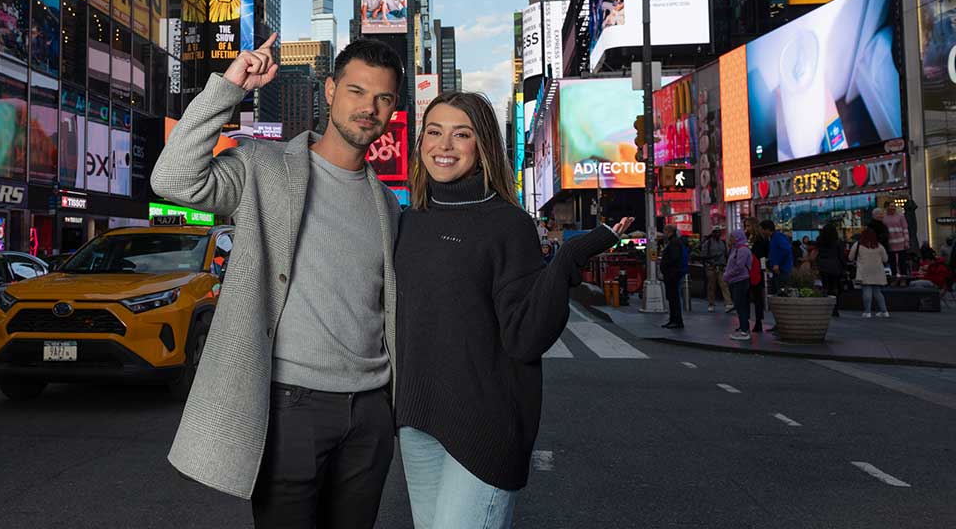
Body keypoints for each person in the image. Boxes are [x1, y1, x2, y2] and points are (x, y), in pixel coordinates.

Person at [153, 34, 405, 528]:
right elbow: (174, 180)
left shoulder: (388, 206)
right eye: (356, 91)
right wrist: (229, 88)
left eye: (383, 97)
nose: (368, 108)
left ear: (394, 108)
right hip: (292, 407)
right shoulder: (261, 167)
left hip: (371, 413)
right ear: (329, 90)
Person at [395, 90, 631, 528]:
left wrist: (565, 261)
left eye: (460, 134)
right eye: (434, 132)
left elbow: (525, 336)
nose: (443, 146)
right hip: (416, 420)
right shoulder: (410, 221)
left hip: (484, 424)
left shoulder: (508, 224)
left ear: (482, 146)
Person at [850, 229, 890, 318]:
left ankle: (867, 312)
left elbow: (850, 257)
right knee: (877, 292)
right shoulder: (879, 246)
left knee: (866, 290)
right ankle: (884, 311)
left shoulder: (858, 245)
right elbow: (885, 259)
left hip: (864, 271)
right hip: (877, 271)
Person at [724, 230, 754, 340]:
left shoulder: (742, 250)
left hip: (740, 280)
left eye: (732, 237)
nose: (730, 239)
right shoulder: (735, 249)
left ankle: (744, 331)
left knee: (741, 305)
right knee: (740, 305)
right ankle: (743, 328)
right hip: (735, 280)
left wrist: (727, 275)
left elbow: (739, 267)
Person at [815, 223, 848, 317]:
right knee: (835, 288)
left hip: (823, 266)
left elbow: (818, 253)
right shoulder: (838, 242)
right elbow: (841, 256)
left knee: (826, 287)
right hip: (835, 267)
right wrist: (844, 267)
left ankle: (826, 308)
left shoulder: (820, 241)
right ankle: (835, 309)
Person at [744, 217, 768, 333]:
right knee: (750, 297)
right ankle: (748, 321)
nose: (747, 228)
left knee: (757, 298)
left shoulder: (759, 240)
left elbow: (761, 255)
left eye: (748, 226)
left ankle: (758, 321)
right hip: (748, 270)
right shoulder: (749, 238)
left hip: (756, 270)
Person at [700, 227, 732, 313]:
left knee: (724, 285)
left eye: (719, 232)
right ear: (713, 233)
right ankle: (711, 303)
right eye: (716, 232)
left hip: (721, 266)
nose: (718, 234)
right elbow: (703, 255)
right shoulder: (708, 243)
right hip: (711, 267)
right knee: (711, 286)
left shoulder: (723, 243)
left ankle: (728, 303)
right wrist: (711, 260)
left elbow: (726, 254)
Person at [660, 224, 686, 329]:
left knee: (674, 298)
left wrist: (666, 265)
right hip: (672, 274)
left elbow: (674, 258)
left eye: (664, 231)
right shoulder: (673, 242)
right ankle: (673, 320)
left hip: (673, 275)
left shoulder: (674, 242)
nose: (664, 234)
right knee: (672, 298)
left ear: (668, 231)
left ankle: (676, 321)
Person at [759, 220, 794, 292]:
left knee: (782, 291)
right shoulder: (773, 238)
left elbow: (786, 250)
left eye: (762, 229)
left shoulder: (777, 237)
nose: (761, 232)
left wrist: (777, 263)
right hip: (778, 269)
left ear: (767, 229)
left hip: (782, 269)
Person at [884, 204, 911, 282]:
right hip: (890, 243)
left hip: (901, 242)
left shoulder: (900, 216)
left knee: (902, 262)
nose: (892, 208)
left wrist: (906, 241)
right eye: (890, 206)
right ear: (887, 208)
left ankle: (903, 280)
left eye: (893, 206)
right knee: (892, 263)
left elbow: (905, 229)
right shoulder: (884, 218)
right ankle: (894, 279)